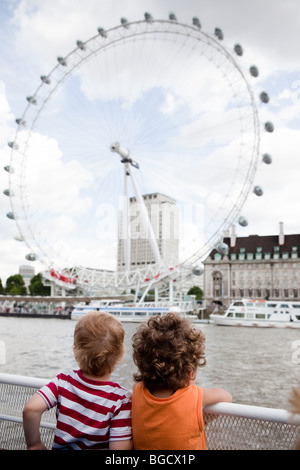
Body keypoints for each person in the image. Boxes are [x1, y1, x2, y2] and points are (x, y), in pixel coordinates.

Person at [23, 311, 132, 450]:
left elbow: (31, 409)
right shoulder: (121, 400)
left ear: (75, 351)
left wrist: (34, 444)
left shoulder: (63, 381)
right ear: (120, 355)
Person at [131, 312, 232, 450]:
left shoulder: (137, 391)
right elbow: (226, 396)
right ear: (190, 373)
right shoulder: (193, 396)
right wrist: (199, 421)